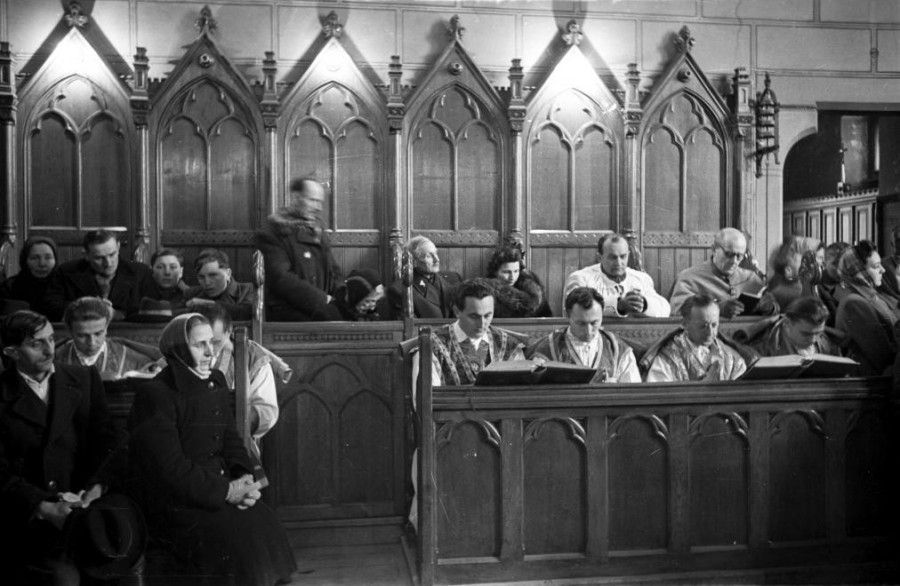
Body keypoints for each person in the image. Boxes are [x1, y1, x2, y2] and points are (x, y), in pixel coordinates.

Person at [126, 313, 296, 585]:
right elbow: (169, 469)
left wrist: (244, 478)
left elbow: (231, 440)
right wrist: (227, 491)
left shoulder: (214, 381)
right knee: (234, 541)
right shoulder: (156, 394)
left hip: (216, 487)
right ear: (178, 349)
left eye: (211, 343)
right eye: (199, 345)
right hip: (179, 500)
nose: (210, 352)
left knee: (263, 521)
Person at [0, 310, 122, 584]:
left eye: (52, 339)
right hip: (28, 518)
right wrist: (43, 506)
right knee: (64, 578)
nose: (49, 350)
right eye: (36, 344)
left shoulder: (84, 378)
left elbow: (106, 442)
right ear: (12, 352)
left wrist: (97, 487)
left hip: (85, 507)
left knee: (118, 562)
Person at [192, 303, 288, 448]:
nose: (209, 350)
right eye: (200, 343)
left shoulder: (252, 357)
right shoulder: (178, 354)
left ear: (228, 332)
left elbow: (267, 411)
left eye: (215, 342)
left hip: (233, 443)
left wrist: (238, 419)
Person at [256, 177, 342, 321]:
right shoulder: (273, 232)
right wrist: (323, 300)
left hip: (320, 307)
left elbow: (334, 271)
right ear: (295, 198)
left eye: (320, 202)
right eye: (312, 200)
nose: (318, 208)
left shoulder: (317, 230)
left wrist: (342, 297)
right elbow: (282, 279)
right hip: (288, 312)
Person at [423, 278, 526, 386]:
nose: (482, 323)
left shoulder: (508, 345)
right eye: (474, 316)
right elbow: (425, 395)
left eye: (487, 315)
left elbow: (521, 391)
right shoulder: (431, 347)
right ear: (457, 311)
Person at [526, 287, 639, 383]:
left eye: (594, 323)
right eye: (581, 323)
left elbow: (633, 392)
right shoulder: (548, 349)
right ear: (568, 316)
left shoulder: (618, 350)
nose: (588, 331)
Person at [45, 230, 155, 321]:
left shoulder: (141, 272)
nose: (108, 263)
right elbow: (52, 309)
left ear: (118, 247)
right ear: (86, 255)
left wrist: (116, 314)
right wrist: (89, 307)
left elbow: (152, 311)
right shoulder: (66, 272)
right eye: (99, 258)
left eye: (112, 254)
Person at [641, 294, 755, 382]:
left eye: (714, 325)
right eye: (703, 326)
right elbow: (658, 397)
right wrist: (702, 388)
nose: (710, 332)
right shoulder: (669, 358)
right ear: (685, 324)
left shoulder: (732, 358)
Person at [668, 227, 775, 318]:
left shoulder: (751, 278)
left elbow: (774, 309)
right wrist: (717, 308)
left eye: (739, 256)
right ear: (714, 249)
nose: (734, 261)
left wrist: (770, 308)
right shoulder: (689, 278)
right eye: (729, 254)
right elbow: (677, 311)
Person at [55, 297, 161, 381]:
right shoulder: (54, 358)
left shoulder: (133, 358)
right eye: (82, 336)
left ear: (106, 328)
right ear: (70, 332)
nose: (92, 343)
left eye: (98, 334)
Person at [833, 240, 899, 375]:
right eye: (876, 266)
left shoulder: (874, 295)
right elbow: (881, 354)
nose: (883, 270)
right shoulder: (854, 303)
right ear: (858, 272)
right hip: (870, 379)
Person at [564, 234, 669, 317]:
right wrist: (618, 305)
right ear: (600, 257)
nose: (618, 263)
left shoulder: (641, 278)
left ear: (628, 255)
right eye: (612, 257)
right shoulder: (581, 279)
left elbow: (664, 308)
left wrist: (644, 304)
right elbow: (576, 309)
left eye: (623, 257)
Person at [735, 296, 840, 357]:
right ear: (786, 324)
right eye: (806, 334)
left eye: (818, 333)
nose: (813, 340)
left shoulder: (825, 343)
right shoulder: (762, 347)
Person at [386, 235, 462, 319]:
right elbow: (411, 325)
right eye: (429, 256)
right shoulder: (399, 290)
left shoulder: (452, 279)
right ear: (414, 261)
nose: (436, 259)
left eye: (436, 253)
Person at [185, 248, 257, 321]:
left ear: (228, 274)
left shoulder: (248, 289)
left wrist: (208, 304)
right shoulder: (191, 294)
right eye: (201, 277)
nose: (207, 282)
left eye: (213, 275)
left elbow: (247, 313)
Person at [484, 245, 552, 318]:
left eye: (516, 271)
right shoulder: (486, 289)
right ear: (495, 272)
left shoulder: (532, 287)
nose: (512, 277)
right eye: (506, 272)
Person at [0, 235, 59, 316]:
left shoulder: (64, 286)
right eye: (35, 258)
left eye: (48, 258)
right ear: (24, 260)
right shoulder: (9, 288)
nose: (42, 264)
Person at [817, 241, 849, 325]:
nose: (841, 268)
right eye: (836, 263)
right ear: (824, 263)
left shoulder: (851, 283)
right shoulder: (815, 288)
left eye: (846, 263)